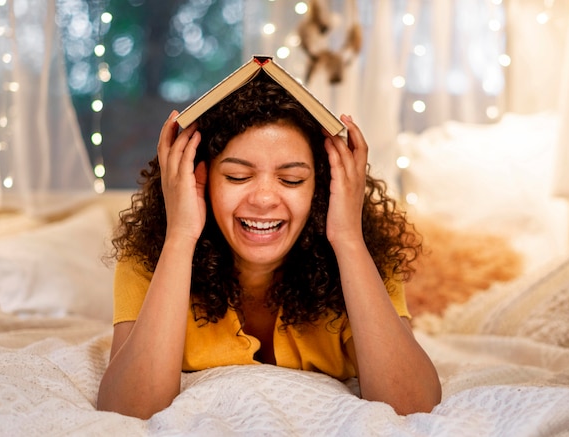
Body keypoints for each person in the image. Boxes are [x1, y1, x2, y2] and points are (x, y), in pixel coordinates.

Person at [97, 72, 442, 419]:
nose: (263, 199)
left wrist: (349, 239)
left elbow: (413, 405)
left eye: (291, 179)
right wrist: (180, 236)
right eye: (237, 176)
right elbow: (127, 410)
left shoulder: (365, 259)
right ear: (200, 181)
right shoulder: (151, 257)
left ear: (320, 189)